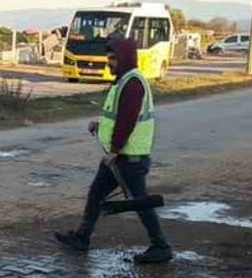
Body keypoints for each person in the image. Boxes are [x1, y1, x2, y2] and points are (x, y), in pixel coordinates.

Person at [55, 37, 173, 264]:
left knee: (140, 202)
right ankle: (82, 237)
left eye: (113, 59)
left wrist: (115, 150)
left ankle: (161, 246)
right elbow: (118, 117)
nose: (109, 63)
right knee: (96, 194)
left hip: (128, 158)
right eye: (108, 58)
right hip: (119, 157)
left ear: (125, 59)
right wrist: (99, 127)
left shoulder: (132, 84)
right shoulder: (123, 82)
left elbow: (127, 121)